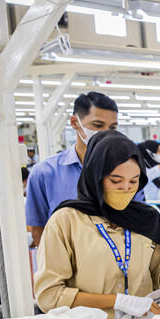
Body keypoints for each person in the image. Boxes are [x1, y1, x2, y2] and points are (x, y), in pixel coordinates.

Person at [33, 131, 160, 319]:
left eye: (134, 181)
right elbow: (49, 295)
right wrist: (116, 301)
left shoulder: (147, 219)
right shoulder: (66, 222)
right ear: (95, 177)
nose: (126, 188)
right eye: (115, 181)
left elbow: (157, 270)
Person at [25, 91, 119, 247]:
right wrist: (55, 260)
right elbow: (38, 229)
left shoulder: (127, 172)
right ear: (75, 122)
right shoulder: (45, 173)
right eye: (97, 125)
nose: (106, 133)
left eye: (112, 127)